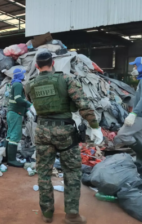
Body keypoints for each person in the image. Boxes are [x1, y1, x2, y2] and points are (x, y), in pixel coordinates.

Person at [25, 51, 102, 224]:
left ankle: (47, 213)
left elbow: (33, 103)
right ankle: (72, 215)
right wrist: (95, 127)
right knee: (72, 172)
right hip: (65, 132)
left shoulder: (29, 85)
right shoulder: (66, 79)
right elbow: (83, 104)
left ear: (37, 66)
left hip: (42, 131)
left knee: (44, 173)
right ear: (53, 63)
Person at [114, 57, 142, 167]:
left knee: (123, 134)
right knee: (140, 140)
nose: (134, 68)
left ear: (141, 66)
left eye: (135, 66)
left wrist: (134, 113)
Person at [6, 68, 33, 167]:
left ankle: (7, 157)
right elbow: (18, 99)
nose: (24, 75)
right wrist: (29, 105)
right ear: (20, 75)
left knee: (10, 135)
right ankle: (12, 160)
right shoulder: (18, 85)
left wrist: (25, 110)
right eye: (23, 73)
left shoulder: (14, 84)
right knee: (15, 135)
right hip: (15, 113)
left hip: (12, 112)